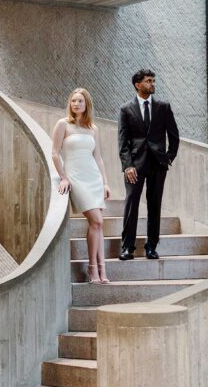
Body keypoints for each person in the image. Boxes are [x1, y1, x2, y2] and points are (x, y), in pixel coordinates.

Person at [118, 69, 180, 261]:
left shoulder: (163, 107)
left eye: (153, 81)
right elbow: (123, 141)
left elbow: (174, 135)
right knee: (131, 204)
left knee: (155, 205)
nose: (153, 84)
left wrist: (168, 157)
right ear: (138, 85)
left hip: (157, 164)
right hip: (134, 165)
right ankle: (128, 247)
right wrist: (127, 165)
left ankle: (151, 246)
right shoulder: (126, 109)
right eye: (148, 81)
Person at [52, 88, 112, 284]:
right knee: (97, 221)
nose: (76, 104)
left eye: (80, 101)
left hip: (93, 177)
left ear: (87, 105)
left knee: (98, 224)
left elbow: (98, 158)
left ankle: (101, 270)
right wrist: (63, 177)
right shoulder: (63, 124)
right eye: (73, 101)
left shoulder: (93, 129)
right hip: (76, 178)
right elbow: (54, 153)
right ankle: (92, 268)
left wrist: (105, 183)